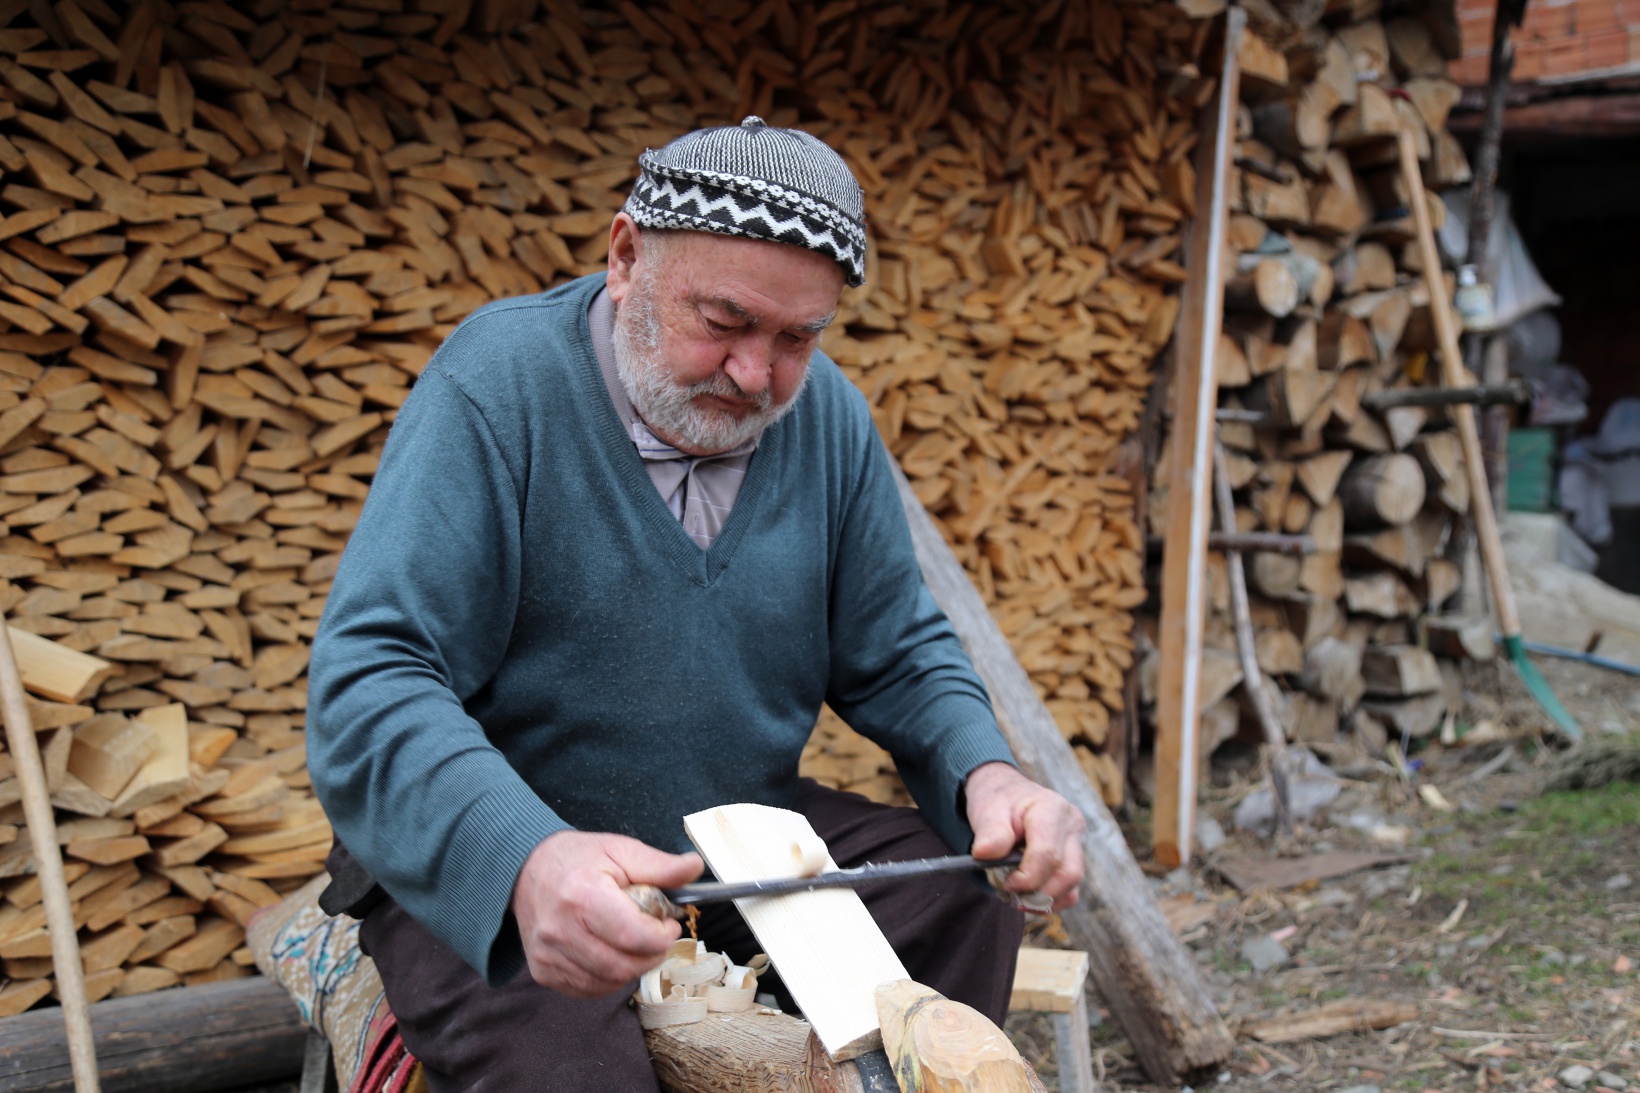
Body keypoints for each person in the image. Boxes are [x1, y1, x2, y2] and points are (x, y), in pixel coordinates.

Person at [308, 117, 1087, 1091]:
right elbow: (372, 677)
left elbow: (897, 651)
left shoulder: (828, 417)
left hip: (730, 839)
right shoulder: (500, 386)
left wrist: (986, 775)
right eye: (721, 322)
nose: (755, 375)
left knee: (957, 911)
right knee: (569, 1072)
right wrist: (525, 858)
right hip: (508, 854)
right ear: (626, 255)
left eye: (796, 337)